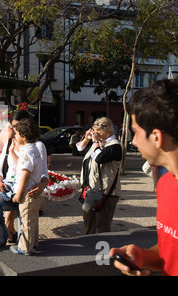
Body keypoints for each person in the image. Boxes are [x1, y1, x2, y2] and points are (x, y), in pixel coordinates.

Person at [110, 79, 178, 276]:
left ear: (156, 137)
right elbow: (170, 253)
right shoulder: (165, 184)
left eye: (135, 132)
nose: (133, 141)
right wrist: (142, 257)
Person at [0, 110, 48, 249]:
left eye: (17, 127)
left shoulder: (37, 146)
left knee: (25, 213)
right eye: (13, 127)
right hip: (8, 184)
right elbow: (0, 168)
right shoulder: (10, 142)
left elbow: (43, 172)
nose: (14, 130)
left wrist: (42, 185)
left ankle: (24, 243)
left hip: (26, 187)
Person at [76, 116, 122, 235]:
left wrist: (95, 141)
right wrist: (87, 138)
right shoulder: (97, 144)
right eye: (94, 131)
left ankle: (103, 250)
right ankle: (89, 248)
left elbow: (100, 158)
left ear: (108, 131)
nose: (96, 134)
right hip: (91, 191)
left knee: (102, 226)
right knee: (88, 223)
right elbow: (79, 149)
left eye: (99, 131)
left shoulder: (114, 146)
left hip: (107, 192)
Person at [9, 118, 45, 255]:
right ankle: (33, 244)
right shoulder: (33, 149)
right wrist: (12, 151)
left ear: (23, 137)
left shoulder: (27, 152)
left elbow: (25, 173)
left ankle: (25, 248)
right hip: (33, 191)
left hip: (27, 193)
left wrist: (18, 193)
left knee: (26, 221)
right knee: (32, 220)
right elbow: (22, 165)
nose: (14, 136)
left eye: (16, 134)